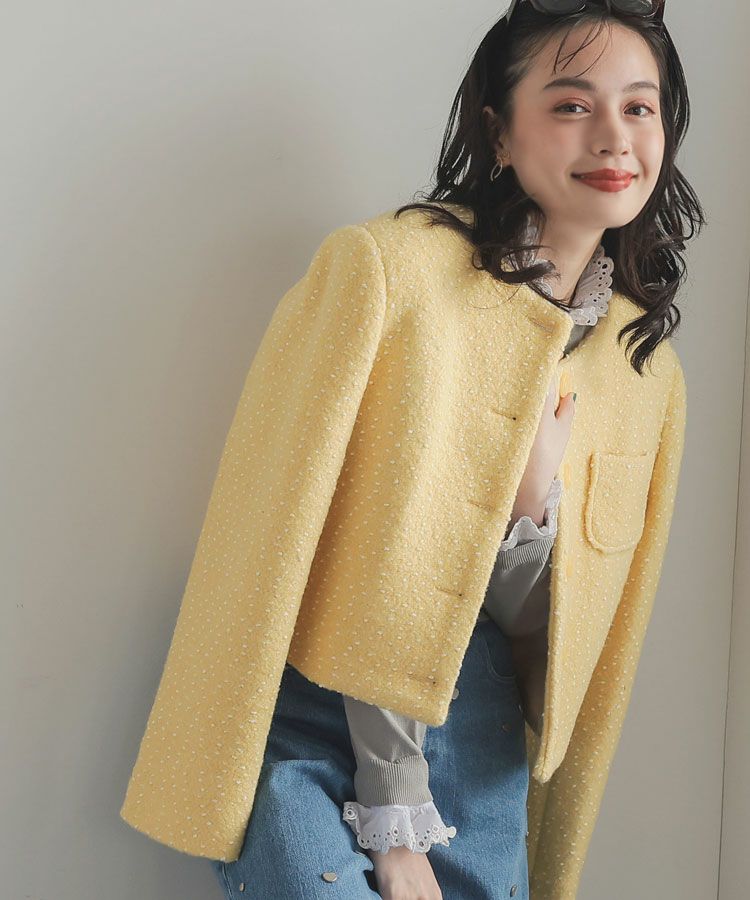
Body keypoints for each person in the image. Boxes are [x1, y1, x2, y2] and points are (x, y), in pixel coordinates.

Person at [120, 2, 701, 897]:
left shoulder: (643, 371)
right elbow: (352, 553)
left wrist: (527, 510)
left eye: (639, 107)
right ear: (498, 132)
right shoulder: (391, 274)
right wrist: (394, 817)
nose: (614, 137)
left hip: (481, 747)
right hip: (310, 712)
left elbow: (565, 648)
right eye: (571, 104)